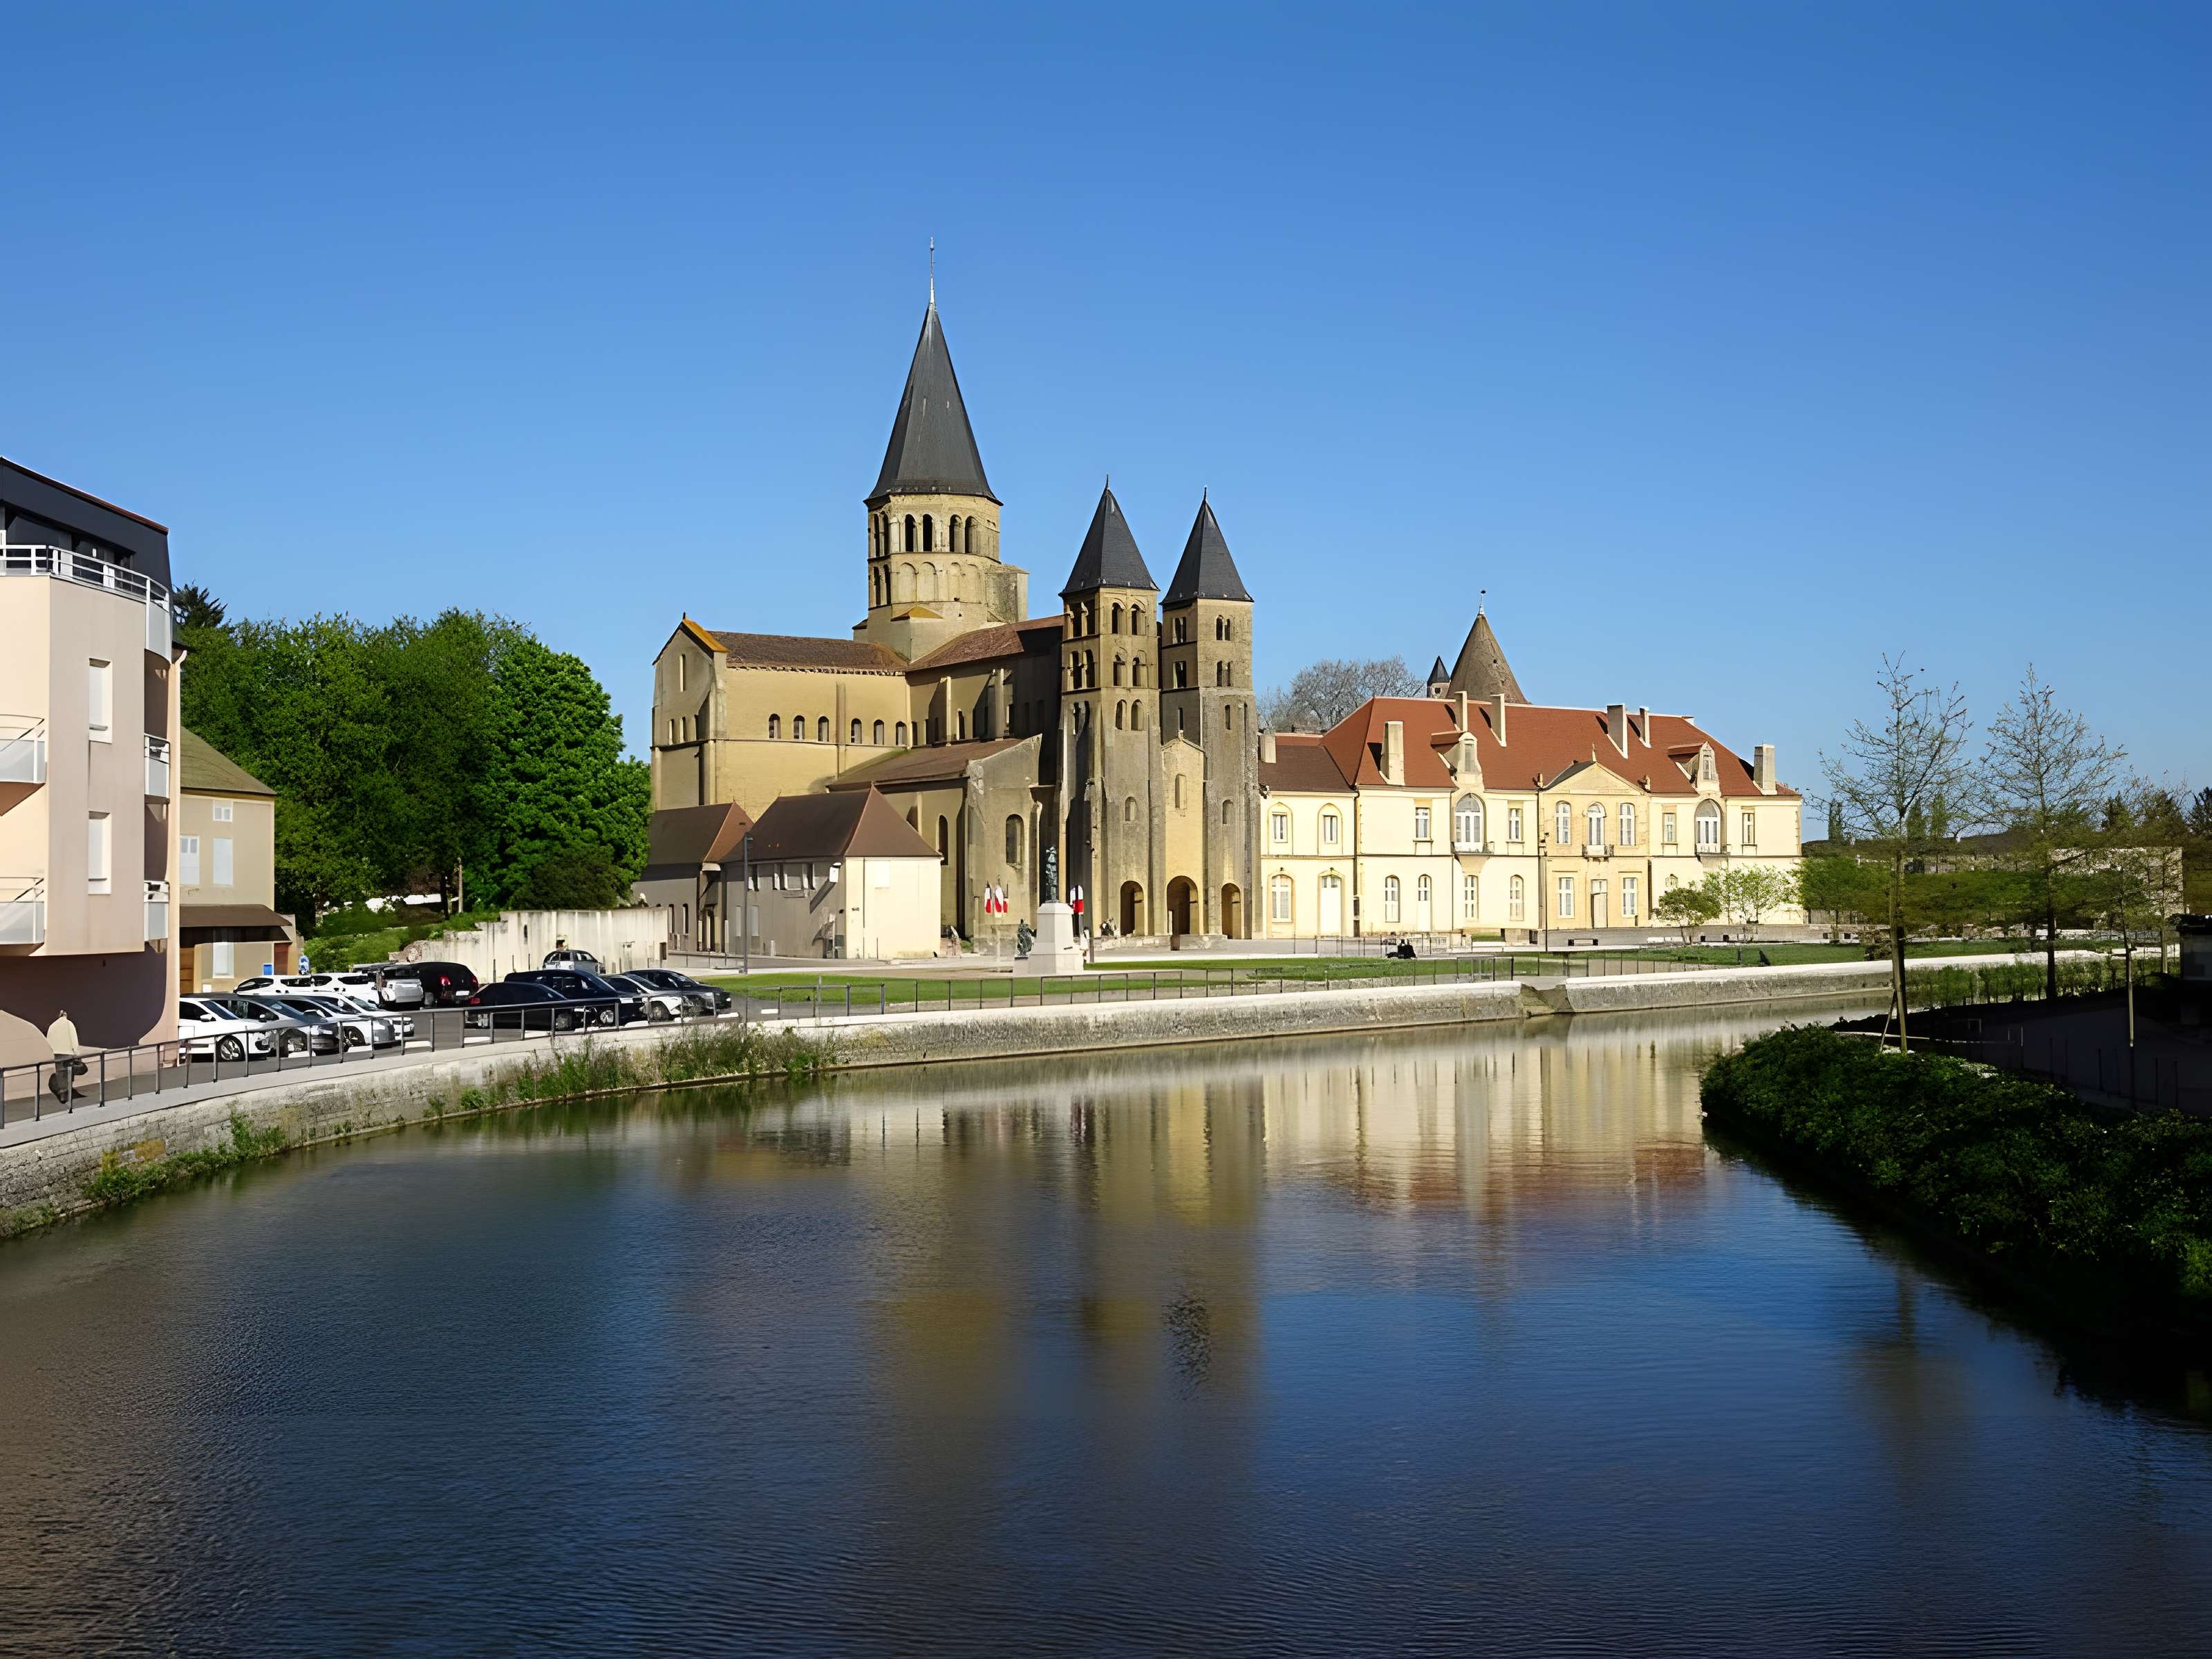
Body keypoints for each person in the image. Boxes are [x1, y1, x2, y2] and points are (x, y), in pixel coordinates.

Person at [46, 1009, 83, 1106]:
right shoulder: (69, 1024)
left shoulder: (52, 1026)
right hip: (68, 1053)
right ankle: (67, 1093)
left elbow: (48, 1041)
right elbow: (73, 1039)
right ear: (65, 1015)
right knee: (69, 1073)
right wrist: (76, 1053)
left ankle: (62, 1093)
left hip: (56, 1054)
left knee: (60, 1074)